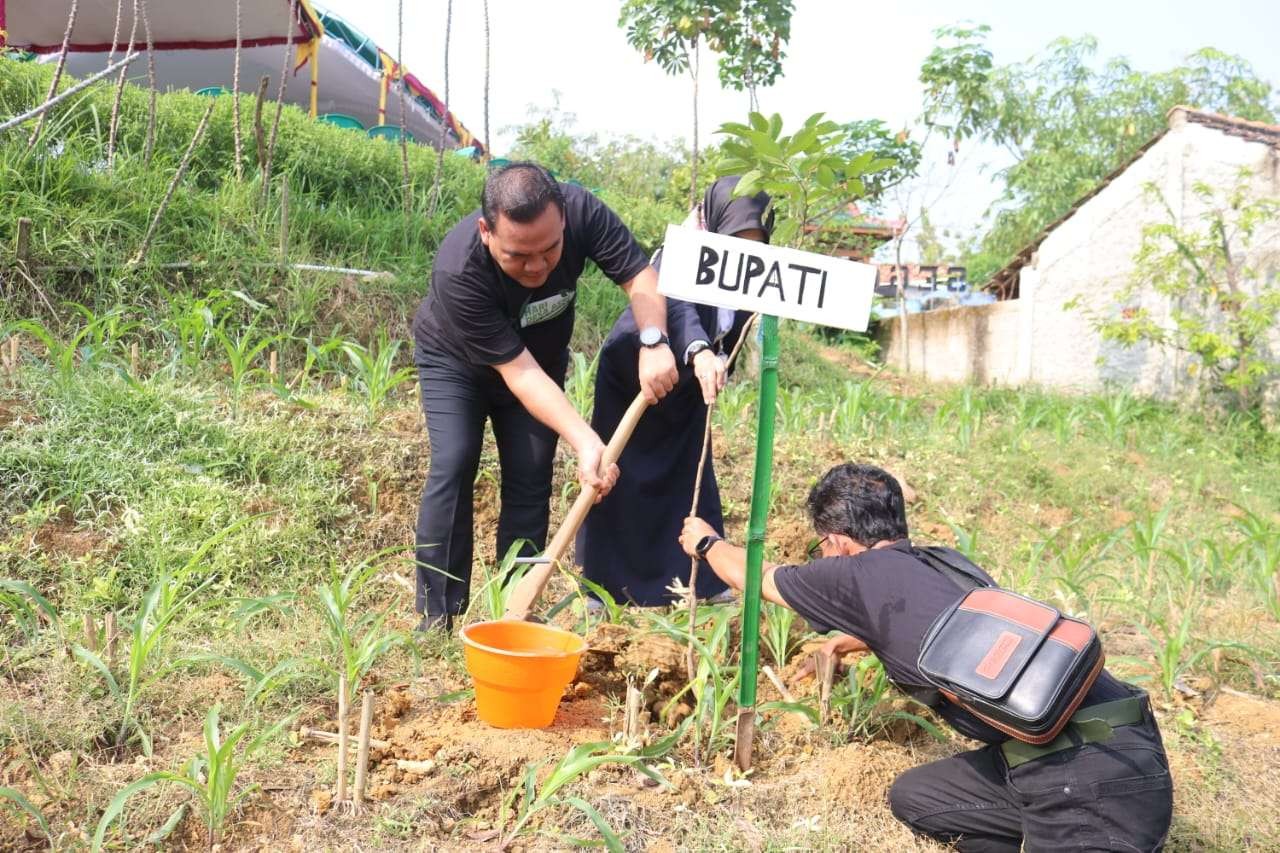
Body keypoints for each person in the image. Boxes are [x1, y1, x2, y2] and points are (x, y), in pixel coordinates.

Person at [679, 463, 1173, 852]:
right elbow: (937, 634)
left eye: (821, 546)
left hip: (1085, 783)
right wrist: (845, 640)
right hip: (1130, 747)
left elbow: (757, 578)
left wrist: (706, 541)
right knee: (916, 797)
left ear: (838, 542)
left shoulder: (851, 573)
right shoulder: (945, 564)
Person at [411, 162, 678, 631]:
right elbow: (520, 375)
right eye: (518, 255)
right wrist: (586, 440)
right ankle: (437, 615)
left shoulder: (583, 212)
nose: (536, 266)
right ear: (486, 231)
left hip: (539, 361)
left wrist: (654, 340)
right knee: (454, 461)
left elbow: (639, 277)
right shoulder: (458, 270)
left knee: (531, 474)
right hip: (457, 363)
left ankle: (513, 611)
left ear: (564, 221)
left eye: (549, 250)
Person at [576, 175, 772, 606]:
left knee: (687, 477)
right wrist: (701, 351)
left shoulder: (756, 272)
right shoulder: (683, 251)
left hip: (687, 386)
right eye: (737, 240)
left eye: (755, 243)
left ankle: (699, 581)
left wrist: (719, 362)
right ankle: (605, 588)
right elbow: (677, 304)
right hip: (637, 373)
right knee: (620, 477)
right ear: (717, 228)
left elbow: (735, 328)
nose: (745, 252)